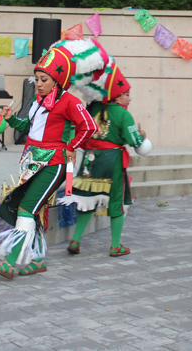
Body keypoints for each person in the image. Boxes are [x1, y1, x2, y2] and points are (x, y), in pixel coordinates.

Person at [0, 39, 105, 279]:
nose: (38, 84)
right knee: (34, 210)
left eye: (44, 80)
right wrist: (10, 120)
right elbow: (29, 128)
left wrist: (72, 146)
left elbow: (89, 127)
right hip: (32, 162)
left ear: (57, 81)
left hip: (54, 163)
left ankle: (9, 262)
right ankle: (37, 260)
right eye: (36, 79)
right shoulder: (37, 101)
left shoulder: (70, 101)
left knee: (26, 208)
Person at [58, 58, 152, 256]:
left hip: (90, 160)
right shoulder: (123, 115)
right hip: (112, 162)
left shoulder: (92, 108)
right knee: (116, 202)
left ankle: (76, 240)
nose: (129, 98)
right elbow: (135, 142)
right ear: (116, 96)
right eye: (127, 94)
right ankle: (115, 245)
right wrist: (142, 136)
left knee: (87, 199)